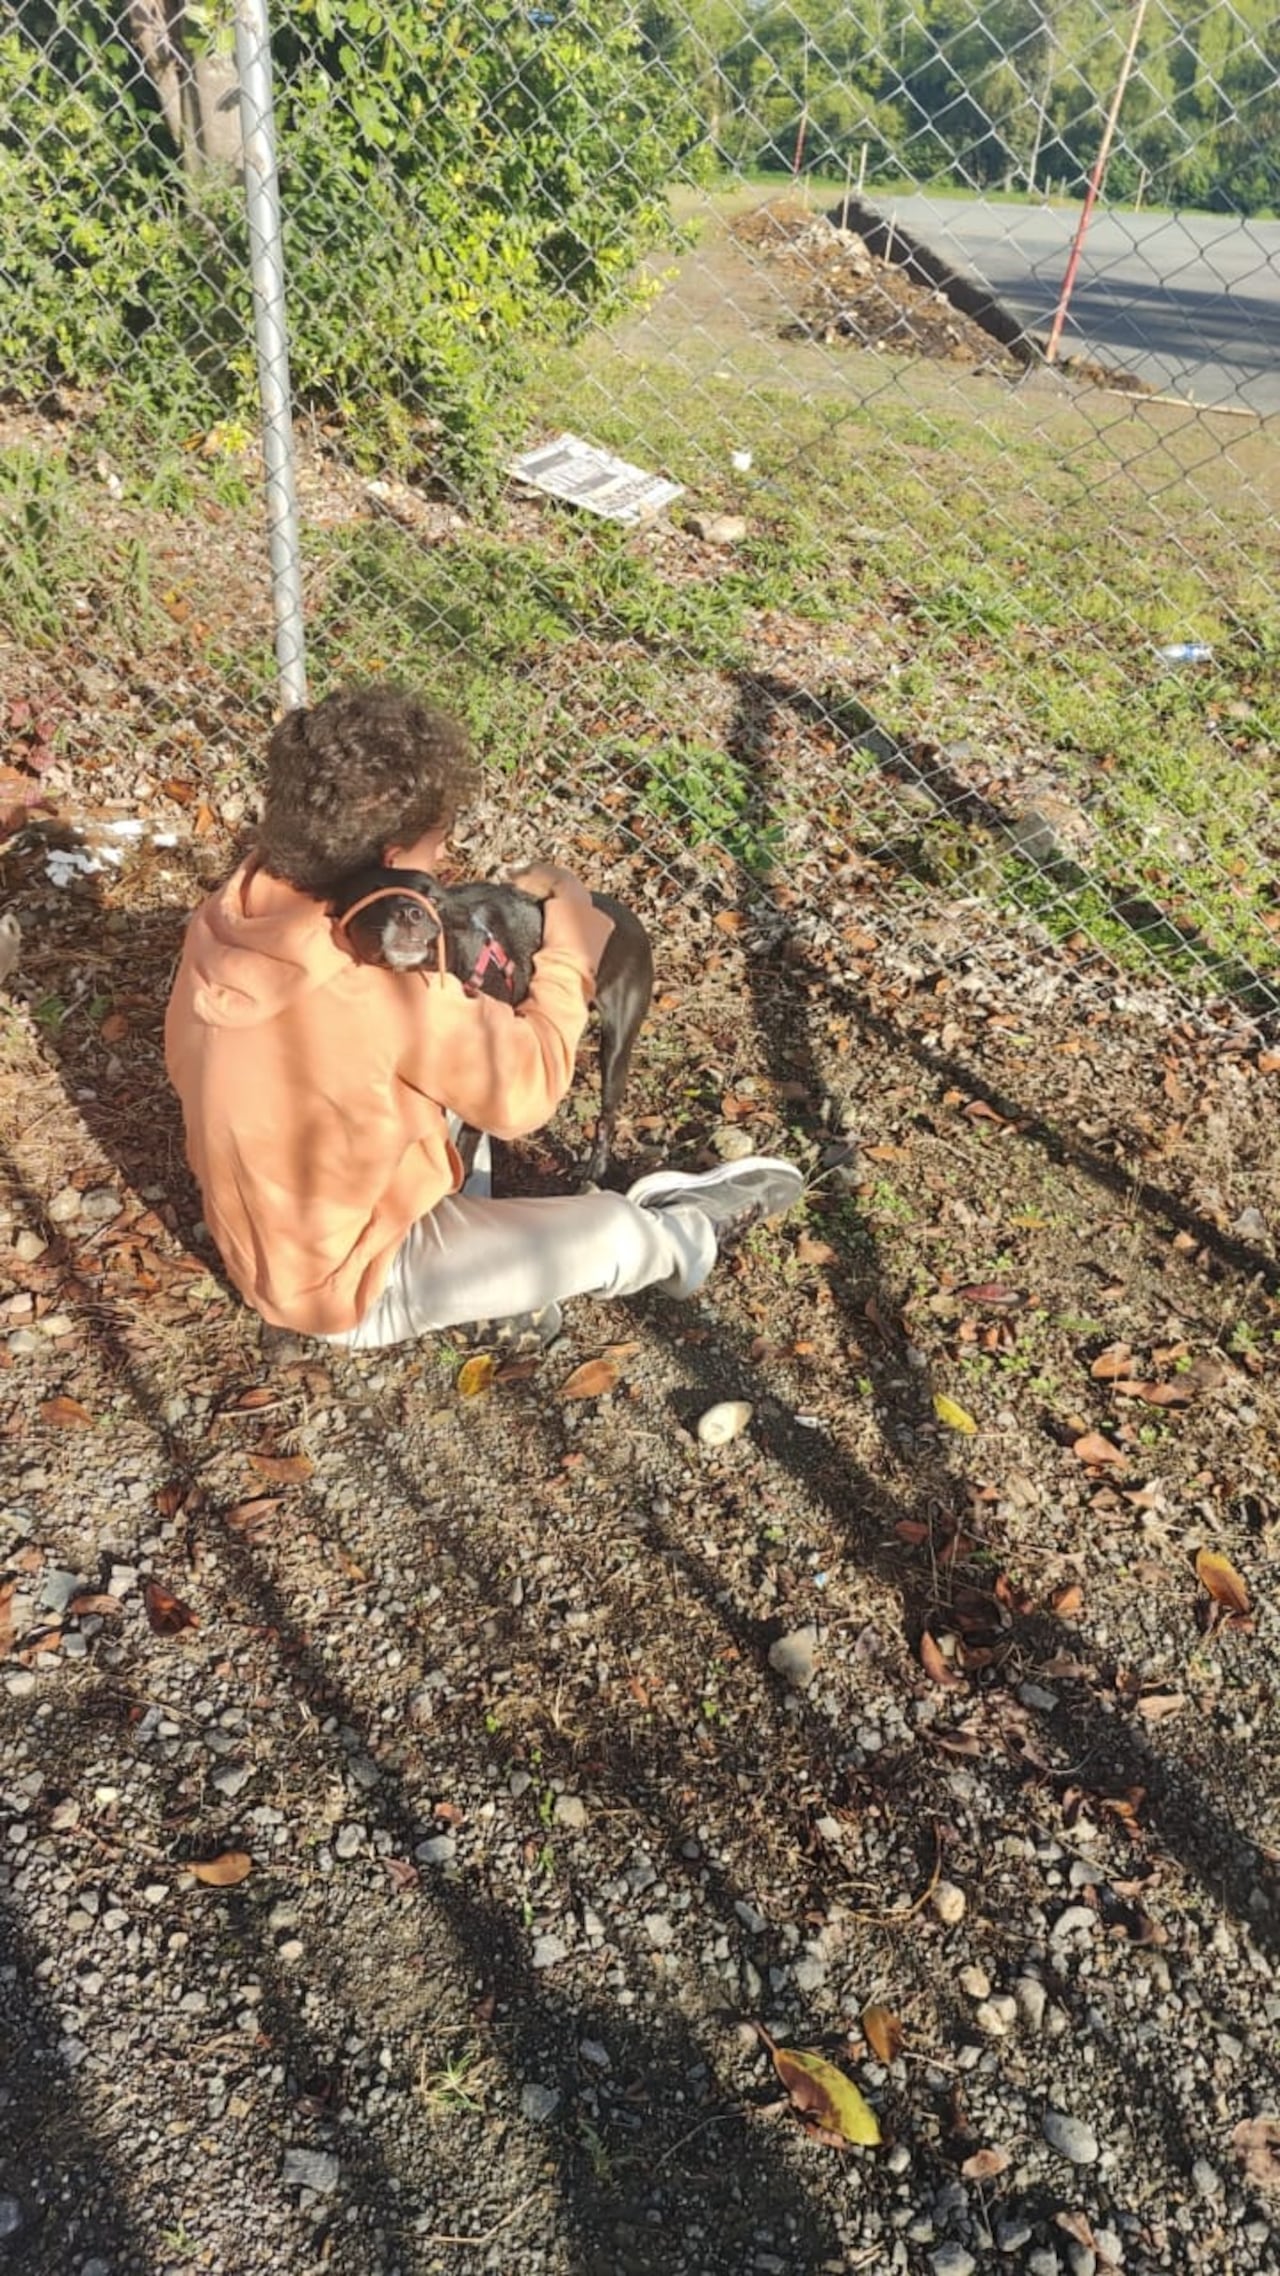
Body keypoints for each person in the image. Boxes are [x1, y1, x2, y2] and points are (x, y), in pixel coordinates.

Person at [164, 682, 804, 1352]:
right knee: (612, 1236)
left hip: (263, 1239)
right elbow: (527, 1092)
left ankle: (482, 1275)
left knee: (442, 1068)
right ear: (392, 861)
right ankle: (686, 1230)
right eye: (436, 847)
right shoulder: (381, 989)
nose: (442, 863)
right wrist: (572, 944)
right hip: (353, 1286)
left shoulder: (226, 921)